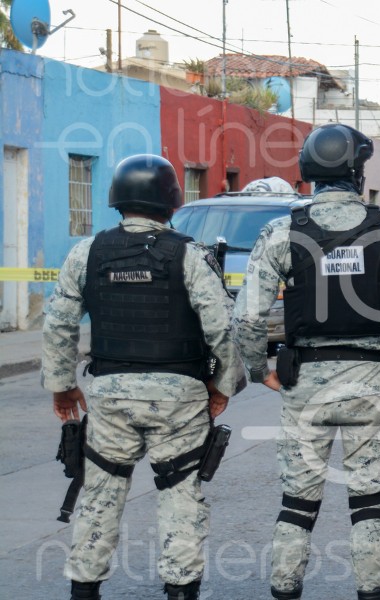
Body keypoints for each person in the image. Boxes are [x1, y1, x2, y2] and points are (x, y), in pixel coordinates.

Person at [232, 123, 380, 600]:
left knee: (297, 503)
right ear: (358, 171)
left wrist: (261, 371)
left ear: (309, 172)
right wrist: (379, 309)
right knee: (369, 504)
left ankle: (284, 590)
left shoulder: (283, 230)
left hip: (304, 383)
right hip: (372, 379)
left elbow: (245, 317)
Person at [42, 154, 245, 600]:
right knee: (179, 496)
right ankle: (179, 591)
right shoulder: (191, 256)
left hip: (110, 397)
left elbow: (58, 323)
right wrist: (223, 385)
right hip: (180, 399)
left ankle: (84, 589)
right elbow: (223, 329)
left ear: (117, 201)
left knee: (98, 497)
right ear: (172, 202)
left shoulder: (86, 252)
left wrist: (61, 385)